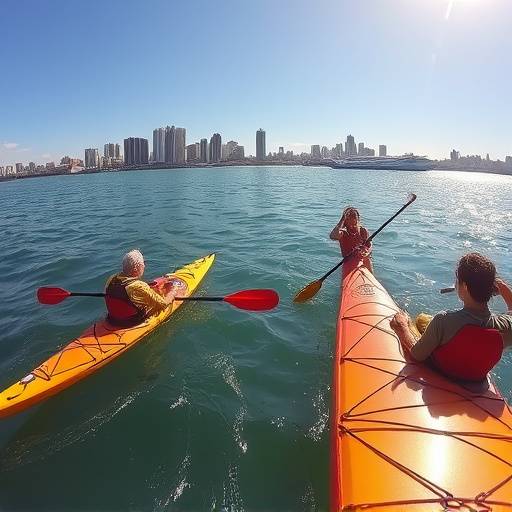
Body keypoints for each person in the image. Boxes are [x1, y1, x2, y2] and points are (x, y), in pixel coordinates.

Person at [390, 252, 512, 382]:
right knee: (424, 320)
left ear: (464, 286)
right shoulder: (506, 326)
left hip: (441, 370)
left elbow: (417, 355)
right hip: (474, 379)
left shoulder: (443, 320)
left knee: (420, 319)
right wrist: (503, 287)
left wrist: (402, 327)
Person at [105, 249, 178, 326]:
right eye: (143, 264)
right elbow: (163, 304)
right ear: (136, 268)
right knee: (161, 304)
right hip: (132, 322)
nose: (144, 266)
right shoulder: (139, 286)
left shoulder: (111, 279)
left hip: (113, 319)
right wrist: (172, 292)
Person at [329, 206, 373, 273]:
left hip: (363, 261)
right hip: (349, 262)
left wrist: (367, 253)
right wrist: (342, 220)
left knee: (368, 260)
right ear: (345, 220)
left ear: (358, 218)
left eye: (354, 217)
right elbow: (333, 236)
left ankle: (371, 278)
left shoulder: (363, 231)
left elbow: (369, 246)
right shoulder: (344, 233)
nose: (351, 220)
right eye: (348, 218)